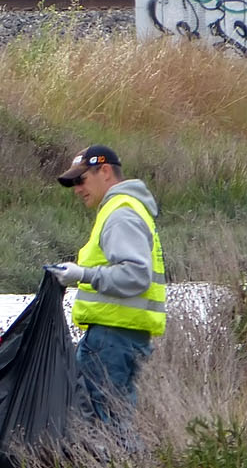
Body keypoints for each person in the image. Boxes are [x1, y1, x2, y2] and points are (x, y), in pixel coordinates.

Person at [50, 144, 166, 442]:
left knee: (105, 429)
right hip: (120, 337)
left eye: (81, 179)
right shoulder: (123, 210)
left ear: (104, 171)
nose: (77, 189)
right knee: (113, 424)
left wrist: (82, 275)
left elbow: (135, 276)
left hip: (113, 340)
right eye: (73, 183)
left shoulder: (120, 214)